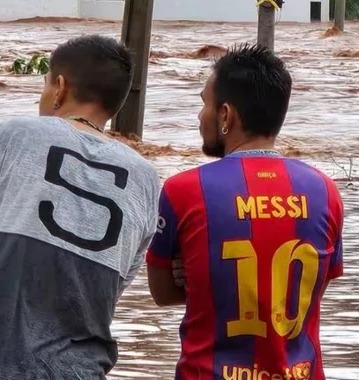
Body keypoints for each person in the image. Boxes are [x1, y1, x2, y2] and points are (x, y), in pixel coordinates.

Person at [0, 34, 160, 380]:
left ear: (59, 88)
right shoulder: (146, 179)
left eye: (43, 85)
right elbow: (103, 292)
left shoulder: (20, 133)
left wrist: (4, 259)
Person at [146, 44, 344, 380]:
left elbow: (162, 293)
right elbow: (311, 290)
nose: (199, 116)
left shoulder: (183, 190)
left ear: (226, 115)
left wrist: (198, 273)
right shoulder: (325, 191)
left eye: (203, 104)